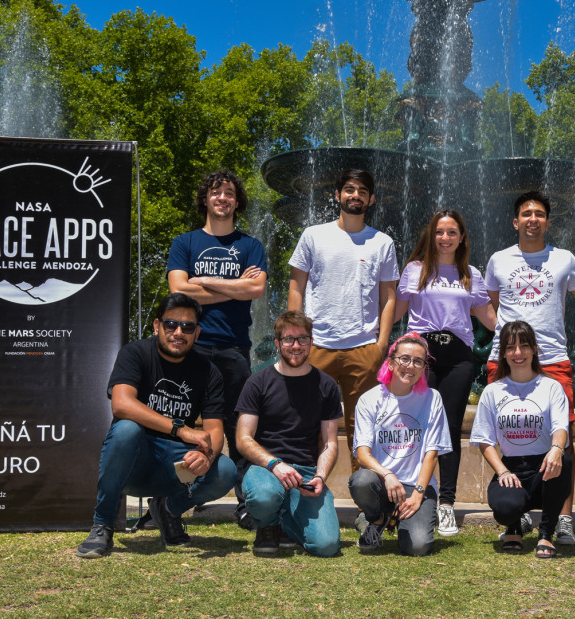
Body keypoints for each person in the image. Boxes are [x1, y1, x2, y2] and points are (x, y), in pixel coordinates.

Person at [76, 293, 238, 559]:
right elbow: (122, 404)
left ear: (197, 333)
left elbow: (215, 430)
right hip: (133, 461)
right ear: (156, 326)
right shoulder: (135, 353)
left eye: (187, 327)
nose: (178, 332)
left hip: (175, 466)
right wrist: (181, 429)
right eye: (170, 324)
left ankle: (168, 509)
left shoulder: (208, 372)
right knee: (127, 429)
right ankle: (102, 524)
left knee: (225, 470)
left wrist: (205, 457)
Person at [484, 190, 575, 545]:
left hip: (552, 358)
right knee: (508, 434)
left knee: (564, 439)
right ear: (516, 222)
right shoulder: (498, 260)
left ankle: (563, 518)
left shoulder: (564, 259)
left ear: (547, 221)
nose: (533, 219)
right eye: (526, 214)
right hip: (505, 359)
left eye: (539, 214)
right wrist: (505, 341)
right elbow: (491, 307)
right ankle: (514, 515)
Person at [167, 169, 267, 528]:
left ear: (237, 201)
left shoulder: (251, 245)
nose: (222, 198)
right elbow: (178, 289)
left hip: (233, 348)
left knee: (236, 426)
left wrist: (205, 280)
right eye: (215, 192)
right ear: (205, 200)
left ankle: (248, 502)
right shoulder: (185, 242)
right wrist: (234, 284)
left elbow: (255, 290)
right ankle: (169, 502)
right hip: (189, 347)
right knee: (178, 422)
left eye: (228, 193)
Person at [288, 168, 399, 471]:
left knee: (363, 430)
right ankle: (299, 491)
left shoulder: (383, 243)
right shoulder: (314, 235)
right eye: (350, 189)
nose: (355, 195)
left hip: (363, 348)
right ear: (337, 195)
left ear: (371, 199)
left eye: (362, 191)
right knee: (303, 423)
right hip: (316, 346)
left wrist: (381, 344)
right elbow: (296, 285)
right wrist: (296, 337)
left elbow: (389, 297)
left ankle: (367, 507)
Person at [394, 209, 496, 536]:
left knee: (450, 429)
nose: (445, 238)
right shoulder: (415, 270)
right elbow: (395, 311)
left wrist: (521, 332)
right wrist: (378, 336)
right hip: (420, 357)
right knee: (415, 425)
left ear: (461, 237)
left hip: (458, 359)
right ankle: (410, 497)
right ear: (431, 234)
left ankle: (447, 504)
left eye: (452, 232)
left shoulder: (471, 274)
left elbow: (490, 317)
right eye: (440, 232)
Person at [235, 310, 343, 557]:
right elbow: (243, 438)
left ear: (311, 342)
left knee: (326, 546)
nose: (296, 346)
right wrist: (275, 464)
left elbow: (329, 442)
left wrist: (321, 476)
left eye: (302, 339)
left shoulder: (326, 385)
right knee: (264, 496)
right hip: (266, 468)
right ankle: (267, 525)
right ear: (277, 343)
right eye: (289, 340)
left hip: (305, 472)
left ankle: (285, 520)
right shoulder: (258, 382)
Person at [470, 321, 571, 559]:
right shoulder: (493, 391)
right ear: (503, 353)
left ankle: (546, 533)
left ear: (534, 349)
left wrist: (556, 449)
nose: (518, 353)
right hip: (511, 468)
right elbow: (484, 440)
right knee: (505, 509)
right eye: (511, 347)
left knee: (564, 462)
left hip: (543, 469)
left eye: (524, 346)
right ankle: (513, 525)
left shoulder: (551, 387)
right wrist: (503, 472)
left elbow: (560, 428)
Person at [349, 333, 453, 555]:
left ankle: (405, 518)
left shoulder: (432, 398)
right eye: (404, 359)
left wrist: (418, 493)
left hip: (416, 485)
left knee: (416, 546)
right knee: (360, 480)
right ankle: (377, 519)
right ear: (390, 361)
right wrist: (387, 475)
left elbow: (431, 454)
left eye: (418, 362)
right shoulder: (369, 399)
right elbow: (362, 454)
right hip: (381, 483)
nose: (410, 366)